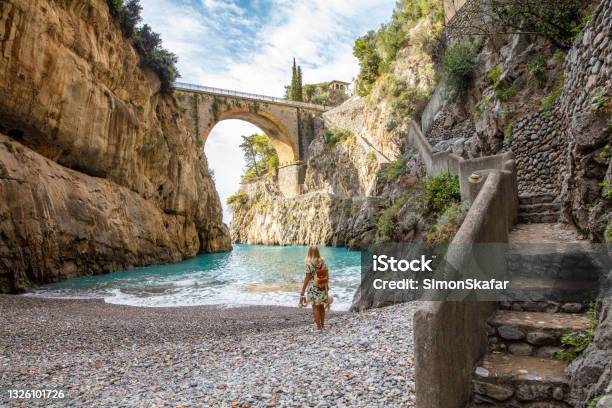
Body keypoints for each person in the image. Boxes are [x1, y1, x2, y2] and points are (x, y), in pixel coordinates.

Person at [299, 246, 329, 330]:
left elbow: (307, 277)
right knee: (321, 306)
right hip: (322, 285)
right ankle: (322, 325)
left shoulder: (308, 263)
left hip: (313, 287)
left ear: (309, 252)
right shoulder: (322, 261)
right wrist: (327, 286)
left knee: (315, 307)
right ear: (317, 252)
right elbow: (326, 273)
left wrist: (303, 290)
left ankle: (319, 327)